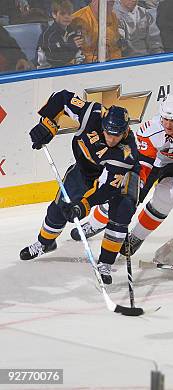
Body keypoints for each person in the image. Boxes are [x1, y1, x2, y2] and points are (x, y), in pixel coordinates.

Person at [72, 95, 173, 259]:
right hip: (156, 161)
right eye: (165, 119)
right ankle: (94, 224)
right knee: (123, 196)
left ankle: (136, 237)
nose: (168, 125)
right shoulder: (151, 131)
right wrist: (135, 189)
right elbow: (144, 166)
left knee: (168, 196)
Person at [20, 90, 140, 286]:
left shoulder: (127, 153)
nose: (111, 139)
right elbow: (62, 97)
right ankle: (45, 243)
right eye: (108, 133)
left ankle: (105, 263)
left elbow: (108, 189)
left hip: (120, 177)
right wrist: (49, 124)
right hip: (85, 170)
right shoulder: (91, 113)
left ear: (125, 131)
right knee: (60, 207)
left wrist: (85, 205)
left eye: (116, 135)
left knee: (122, 211)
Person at [36, 0, 85, 68]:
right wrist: (71, 46)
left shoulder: (73, 32)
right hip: (47, 72)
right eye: (62, 14)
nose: (67, 17)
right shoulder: (48, 35)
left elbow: (79, 55)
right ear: (54, 14)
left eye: (69, 14)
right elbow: (54, 59)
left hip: (69, 70)